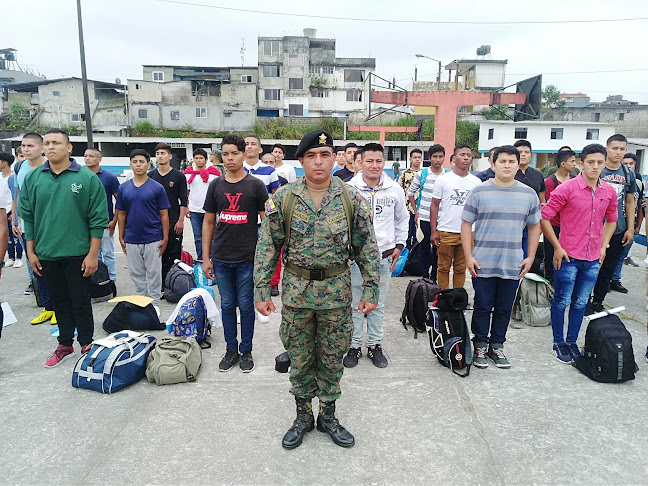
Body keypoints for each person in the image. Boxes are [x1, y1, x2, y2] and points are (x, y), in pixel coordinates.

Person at [254, 129, 380, 450]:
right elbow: (267, 247)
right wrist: (261, 290)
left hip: (337, 295)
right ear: (301, 161)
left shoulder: (351, 199)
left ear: (334, 158)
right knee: (299, 356)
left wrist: (370, 289)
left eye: (325, 155)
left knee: (332, 356)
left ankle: (327, 415)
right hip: (296, 295)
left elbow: (367, 248)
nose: (319, 162)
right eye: (311, 156)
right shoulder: (283, 199)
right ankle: (302, 416)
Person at [19, 129, 108, 367]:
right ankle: (65, 344)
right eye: (47, 143)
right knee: (59, 301)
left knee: (80, 300)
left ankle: (87, 343)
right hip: (47, 252)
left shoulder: (87, 178)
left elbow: (98, 220)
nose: (50, 147)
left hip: (78, 253)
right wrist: (31, 251)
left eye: (56, 143)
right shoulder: (33, 178)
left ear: (69, 148)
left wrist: (92, 255)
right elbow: (28, 217)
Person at [461, 145, 541, 369]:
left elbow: (535, 227)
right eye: (502, 161)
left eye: (511, 161)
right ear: (493, 164)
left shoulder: (528, 194)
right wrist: (469, 256)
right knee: (483, 305)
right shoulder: (479, 191)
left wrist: (530, 257)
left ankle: (497, 346)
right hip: (483, 261)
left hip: (512, 262)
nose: (507, 165)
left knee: (505, 307)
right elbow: (466, 225)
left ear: (519, 164)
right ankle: (479, 346)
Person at [540, 144, 618, 363]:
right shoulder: (567, 188)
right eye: (590, 162)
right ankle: (559, 342)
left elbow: (612, 220)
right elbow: (544, 217)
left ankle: (572, 341)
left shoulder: (608, 191)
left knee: (581, 302)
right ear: (581, 163)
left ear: (605, 163)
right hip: (568, 256)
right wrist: (557, 246)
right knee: (562, 300)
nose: (595, 167)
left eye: (599, 163)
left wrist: (603, 246)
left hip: (593, 257)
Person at [202, 134, 268, 373]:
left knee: (247, 306)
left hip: (247, 258)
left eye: (234, 153)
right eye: (225, 154)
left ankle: (246, 351)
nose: (230, 158)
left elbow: (267, 223)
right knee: (228, 305)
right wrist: (206, 257)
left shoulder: (256, 185)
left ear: (244, 154)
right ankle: (231, 349)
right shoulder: (216, 185)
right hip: (221, 258)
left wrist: (266, 258)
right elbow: (208, 222)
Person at [345, 142, 408, 368]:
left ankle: (374, 345)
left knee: (378, 304)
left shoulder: (395, 190)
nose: (374, 165)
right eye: (369, 161)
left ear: (385, 163)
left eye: (379, 161)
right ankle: (353, 345)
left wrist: (399, 246)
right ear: (359, 162)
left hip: (383, 256)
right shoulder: (348, 189)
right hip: (355, 259)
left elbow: (402, 220)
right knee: (354, 304)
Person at [117, 150, 169, 312]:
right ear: (130, 164)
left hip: (153, 237)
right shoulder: (124, 188)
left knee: (154, 273)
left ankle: (154, 305)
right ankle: (142, 302)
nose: (138, 165)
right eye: (135, 161)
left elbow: (164, 215)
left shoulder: (157, 188)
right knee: (137, 274)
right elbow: (121, 213)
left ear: (148, 164)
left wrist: (165, 237)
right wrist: (121, 236)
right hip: (132, 238)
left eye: (141, 162)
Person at [588, 134, 636, 313]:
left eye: (622, 149)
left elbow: (630, 202)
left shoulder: (628, 174)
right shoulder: (597, 169)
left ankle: (598, 301)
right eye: (615, 148)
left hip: (618, 228)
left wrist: (630, 228)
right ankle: (584, 300)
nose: (618, 152)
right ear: (607, 148)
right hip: (593, 227)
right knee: (589, 266)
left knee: (607, 268)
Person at [13, 133, 56, 325]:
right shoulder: (21, 167)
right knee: (36, 268)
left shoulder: (50, 167)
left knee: (53, 267)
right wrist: (16, 220)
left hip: (49, 226)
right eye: (23, 146)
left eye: (30, 145)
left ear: (41, 148)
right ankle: (48, 307)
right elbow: (19, 194)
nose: (25, 149)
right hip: (28, 225)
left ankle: (59, 307)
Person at [430, 144, 481, 289]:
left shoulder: (476, 183)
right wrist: (434, 231)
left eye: (469, 155)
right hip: (446, 230)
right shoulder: (443, 179)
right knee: (443, 267)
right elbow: (434, 205)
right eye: (462, 155)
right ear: (454, 158)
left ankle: (457, 298)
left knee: (461, 268)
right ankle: (443, 298)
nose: (466, 158)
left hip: (468, 233)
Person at [149, 143, 188, 291]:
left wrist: (181, 220)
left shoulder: (178, 176)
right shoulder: (151, 176)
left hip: (173, 220)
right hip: (154, 221)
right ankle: (158, 286)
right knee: (156, 254)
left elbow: (183, 200)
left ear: (170, 156)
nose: (160, 156)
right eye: (158, 153)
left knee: (173, 254)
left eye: (163, 153)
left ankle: (173, 284)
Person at [407, 144, 448, 280]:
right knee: (424, 248)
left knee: (439, 250)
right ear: (429, 158)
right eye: (435, 156)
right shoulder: (422, 175)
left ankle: (434, 277)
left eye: (440, 156)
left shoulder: (448, 175)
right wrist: (416, 212)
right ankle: (425, 276)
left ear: (444, 158)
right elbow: (411, 193)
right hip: (424, 217)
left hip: (442, 218)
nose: (437, 159)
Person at [84, 148, 120, 283]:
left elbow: (119, 201)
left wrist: (115, 220)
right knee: (93, 254)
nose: (88, 158)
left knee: (108, 254)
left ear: (99, 159)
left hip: (105, 223)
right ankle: (96, 281)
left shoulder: (109, 177)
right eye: (86, 156)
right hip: (85, 223)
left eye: (91, 156)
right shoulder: (80, 176)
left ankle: (111, 281)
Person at [610, 152, 644, 289]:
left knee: (622, 255)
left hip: (631, 223)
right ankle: (606, 281)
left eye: (631, 163)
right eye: (625, 163)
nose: (628, 166)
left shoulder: (638, 181)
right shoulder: (613, 179)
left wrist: (637, 225)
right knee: (610, 256)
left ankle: (615, 279)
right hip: (615, 224)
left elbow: (639, 203)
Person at [543, 150, 576, 284]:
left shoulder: (575, 180)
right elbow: (550, 206)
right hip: (553, 225)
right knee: (550, 255)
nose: (575, 164)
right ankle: (549, 283)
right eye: (572, 161)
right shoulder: (550, 182)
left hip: (569, 226)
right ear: (563, 164)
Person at [184, 148, 220, 261]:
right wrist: (186, 207)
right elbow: (186, 191)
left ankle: (212, 258)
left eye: (201, 158)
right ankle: (201, 259)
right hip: (194, 210)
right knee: (198, 236)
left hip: (210, 210)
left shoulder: (214, 173)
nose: (198, 160)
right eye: (196, 158)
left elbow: (218, 191)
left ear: (205, 159)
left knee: (212, 236)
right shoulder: (188, 173)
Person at [513, 140, 545, 260]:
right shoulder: (509, 174)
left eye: (527, 152)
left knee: (527, 259)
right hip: (512, 225)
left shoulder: (538, 175)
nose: (523, 154)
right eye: (520, 152)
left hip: (531, 226)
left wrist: (541, 224)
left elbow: (542, 200)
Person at [0, 153, 23, 268]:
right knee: (7, 235)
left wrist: (13, 213)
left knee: (15, 235)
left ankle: (18, 257)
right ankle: (10, 257)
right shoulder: (0, 176)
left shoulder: (13, 177)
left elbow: (15, 195)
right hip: (2, 209)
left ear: (4, 162)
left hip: (10, 208)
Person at [398, 148, 423, 248]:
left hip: (421, 210)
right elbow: (399, 190)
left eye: (419, 157)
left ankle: (416, 258)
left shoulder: (424, 174)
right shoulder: (405, 174)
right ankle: (406, 257)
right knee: (407, 235)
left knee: (419, 236)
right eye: (415, 157)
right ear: (410, 159)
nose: (417, 159)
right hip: (407, 209)